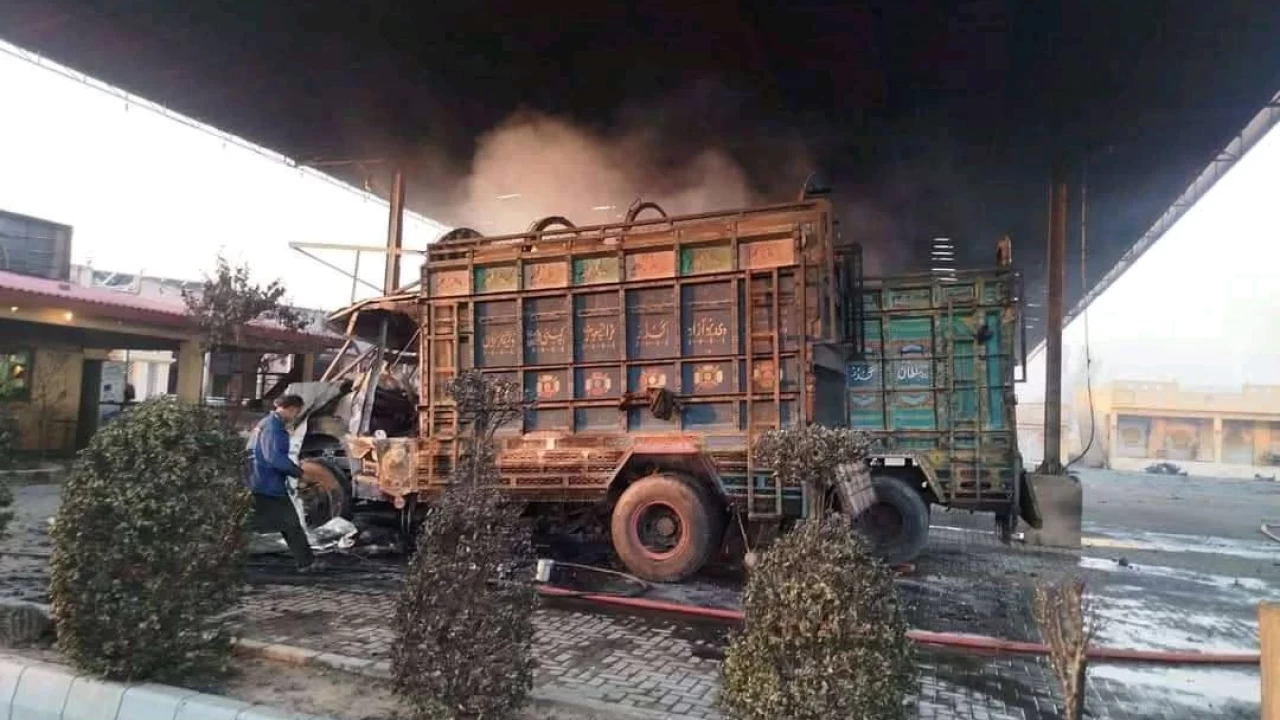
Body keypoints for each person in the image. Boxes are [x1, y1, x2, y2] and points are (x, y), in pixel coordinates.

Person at [248, 394, 317, 572]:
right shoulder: (274, 428)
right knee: (291, 524)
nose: (295, 416)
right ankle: (307, 563)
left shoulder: (264, 423)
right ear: (291, 409)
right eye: (295, 412)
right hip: (269, 485)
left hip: (256, 480)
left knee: (249, 524)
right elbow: (275, 458)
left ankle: (220, 558)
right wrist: (298, 473)